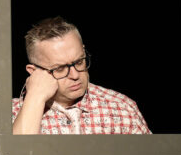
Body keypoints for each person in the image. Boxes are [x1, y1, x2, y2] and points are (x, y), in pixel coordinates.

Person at [12, 17, 149, 134]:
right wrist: (35, 97)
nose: (75, 75)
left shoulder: (121, 108)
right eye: (60, 69)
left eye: (79, 62)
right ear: (34, 72)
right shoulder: (9, 114)